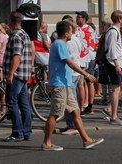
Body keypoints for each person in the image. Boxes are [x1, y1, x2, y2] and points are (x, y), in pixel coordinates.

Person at [42, 19, 103, 151]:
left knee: (75, 111)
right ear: (66, 33)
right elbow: (70, 62)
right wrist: (86, 74)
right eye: (71, 31)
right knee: (55, 113)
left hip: (66, 83)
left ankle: (86, 140)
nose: (72, 33)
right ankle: (47, 143)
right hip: (60, 84)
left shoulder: (58, 43)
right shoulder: (59, 44)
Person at [3, 11, 33, 142]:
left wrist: (10, 74)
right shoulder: (25, 34)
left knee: (11, 101)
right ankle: (26, 131)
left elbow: (17, 56)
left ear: (12, 21)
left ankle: (17, 132)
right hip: (24, 73)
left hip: (16, 74)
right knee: (24, 103)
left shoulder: (15, 36)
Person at [99, 10, 122, 125]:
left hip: (117, 63)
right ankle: (114, 117)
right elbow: (111, 51)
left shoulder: (116, 31)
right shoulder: (112, 32)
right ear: (119, 19)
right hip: (113, 64)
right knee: (116, 89)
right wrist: (116, 64)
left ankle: (109, 108)